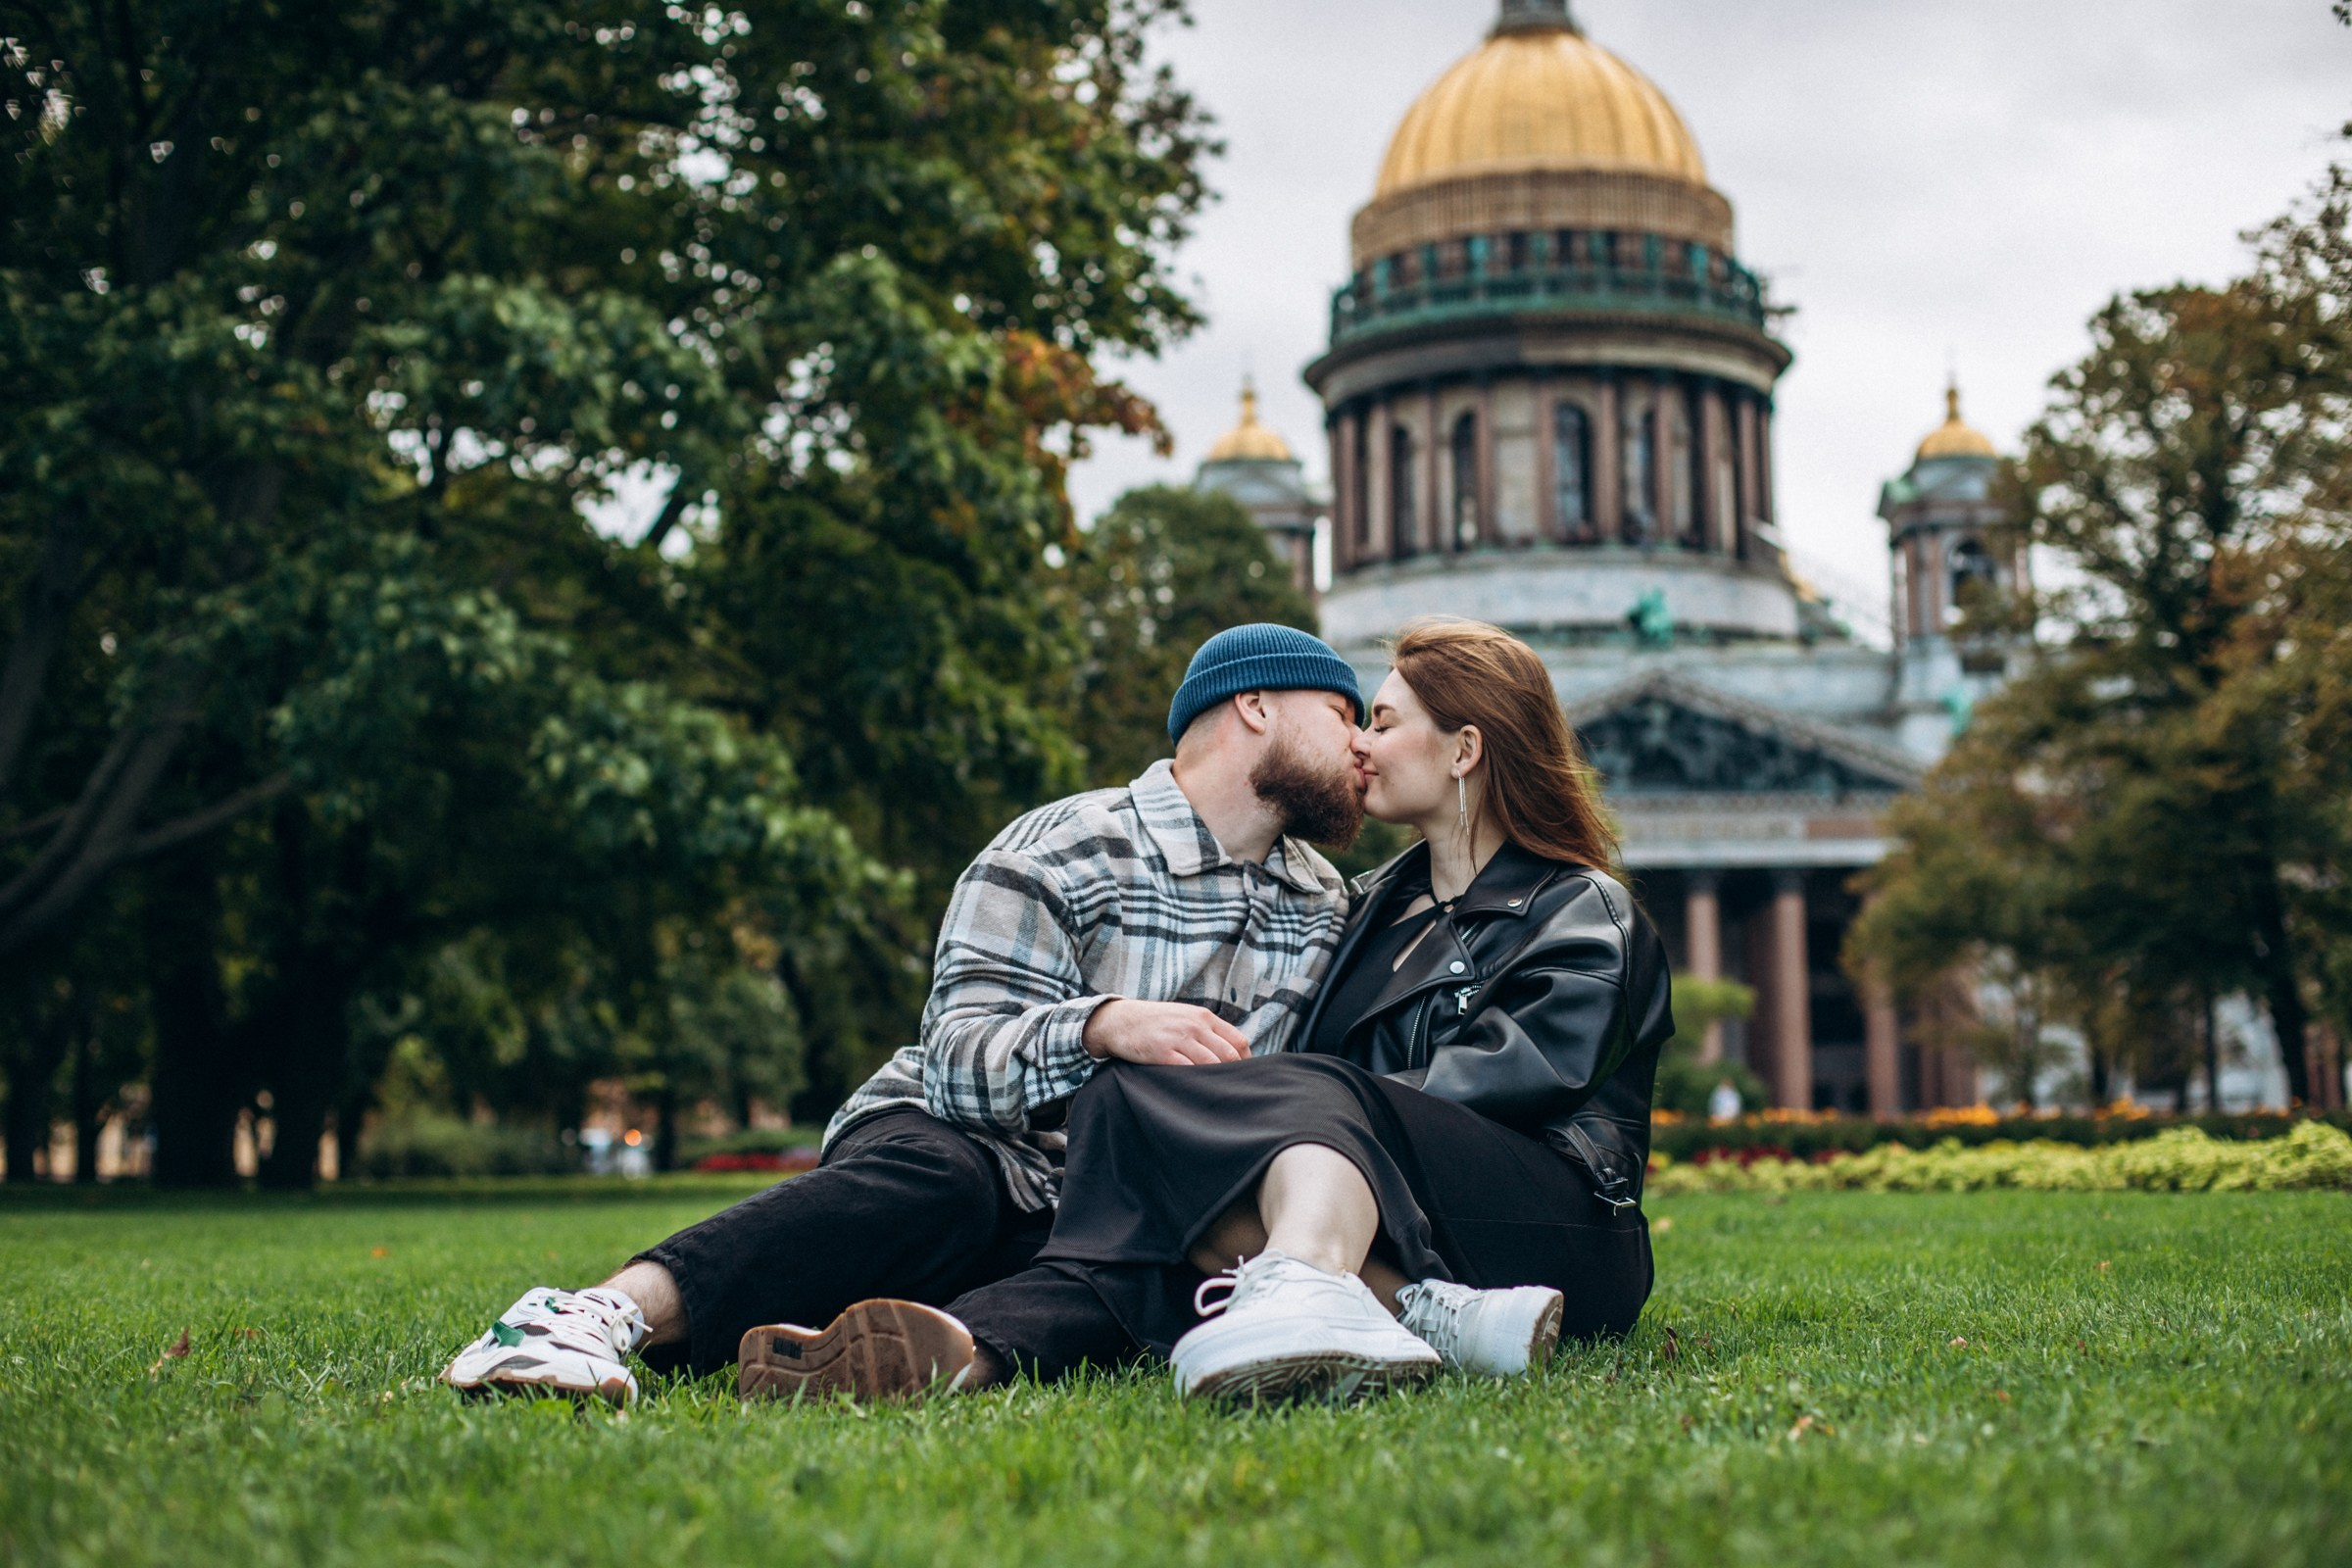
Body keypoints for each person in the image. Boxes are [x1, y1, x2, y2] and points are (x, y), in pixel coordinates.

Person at [440, 624, 1378, 1404]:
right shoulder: (1064, 850)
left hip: (1102, 1212)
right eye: (1342, 715)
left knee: (1165, 1277)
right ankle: (585, 1317)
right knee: (950, 1186)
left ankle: (915, 1362)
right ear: (1256, 705)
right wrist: (1103, 1026)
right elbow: (959, 1061)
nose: (1362, 746)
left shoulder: (1323, 903)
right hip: (957, 1142)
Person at [756, 617, 1675, 1405]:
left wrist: (1271, 1119)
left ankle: (1335, 1284)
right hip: (1386, 1209)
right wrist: (1142, 1055)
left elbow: (1505, 1082)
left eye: (1380, 722)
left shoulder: (1581, 908)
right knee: (1124, 1103)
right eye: (1350, 719)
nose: (1358, 744)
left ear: (1465, 750)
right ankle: (959, 1347)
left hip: (1544, 1226)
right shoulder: (1369, 909)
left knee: (1224, 1112)